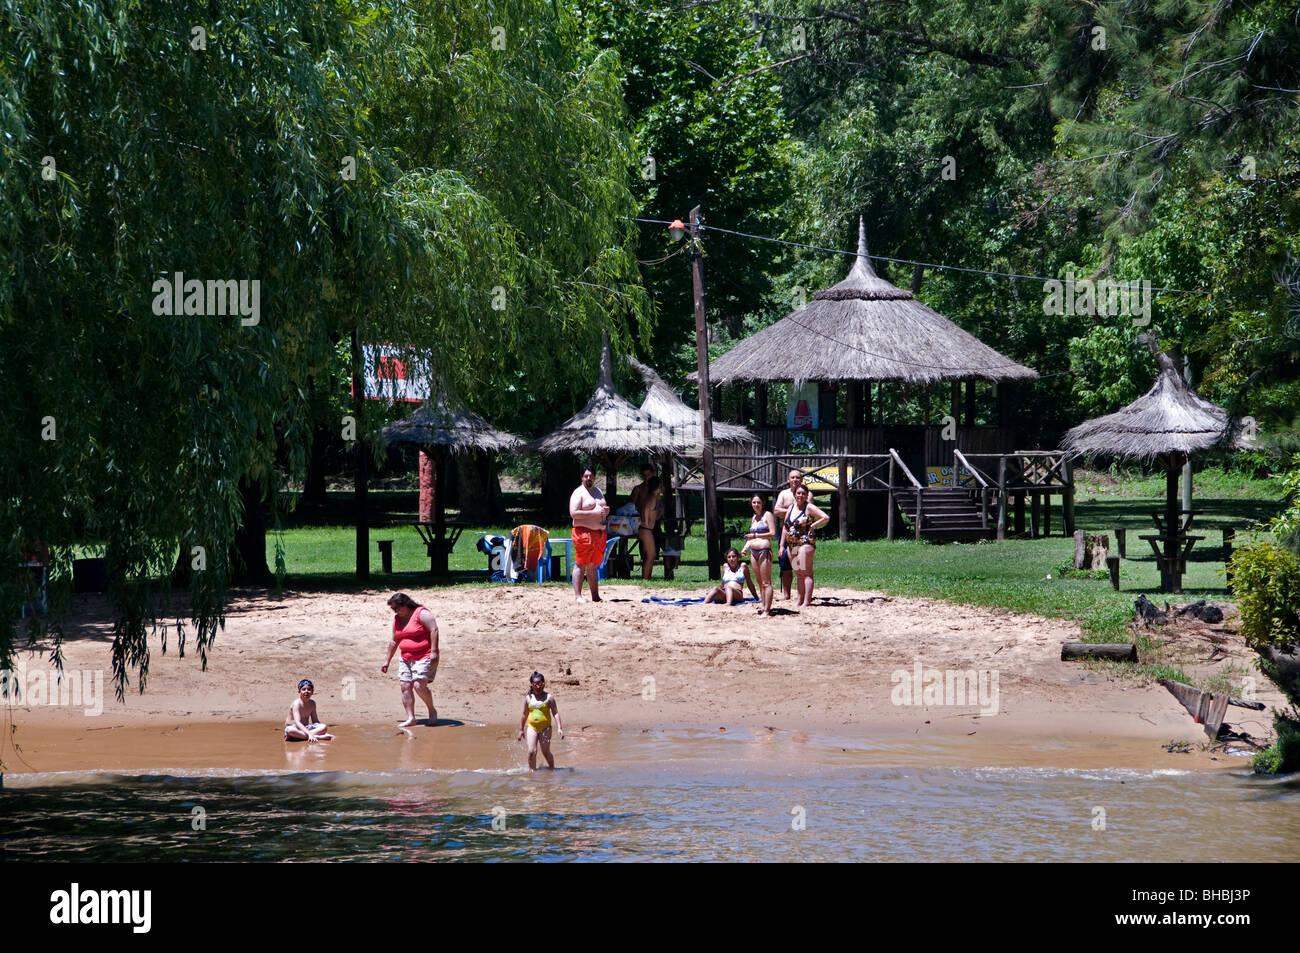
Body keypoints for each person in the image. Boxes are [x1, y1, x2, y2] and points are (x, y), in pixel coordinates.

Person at [381, 592, 439, 728]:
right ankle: (411, 718)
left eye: (397, 608)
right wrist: (387, 660)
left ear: (406, 604)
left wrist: (434, 651)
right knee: (405, 686)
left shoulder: (422, 613)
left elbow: (434, 630)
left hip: (424, 655)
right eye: (393, 609)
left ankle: (431, 710)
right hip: (406, 657)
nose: (396, 612)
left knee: (419, 685)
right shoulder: (397, 619)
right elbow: (394, 641)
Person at [779, 485, 830, 608]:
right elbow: (785, 528)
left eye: (803, 493)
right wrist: (781, 545)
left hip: (805, 543)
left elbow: (825, 517)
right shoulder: (790, 508)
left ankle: (807, 601)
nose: (800, 496)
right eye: (798, 493)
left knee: (806, 572)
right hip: (793, 545)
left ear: (807, 495)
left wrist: (813, 525)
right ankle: (799, 599)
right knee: (798, 573)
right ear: (794, 495)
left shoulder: (809, 507)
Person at [570, 466, 610, 602]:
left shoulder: (598, 491)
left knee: (593, 565)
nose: (589, 478)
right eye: (586, 476)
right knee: (581, 564)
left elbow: (601, 509)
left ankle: (595, 596)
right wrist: (594, 513)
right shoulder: (578, 493)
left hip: (599, 534)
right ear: (582, 477)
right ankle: (578, 596)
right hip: (583, 533)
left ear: (595, 477)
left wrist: (605, 511)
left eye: (591, 476)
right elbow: (574, 513)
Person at [773, 468, 809, 600]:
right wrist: (791, 512)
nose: (795, 480)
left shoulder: (807, 494)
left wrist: (791, 515)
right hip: (786, 534)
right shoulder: (784, 494)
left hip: (801, 537)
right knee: (785, 564)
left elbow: (809, 512)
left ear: (802, 479)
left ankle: (802, 594)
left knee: (801, 566)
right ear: (788, 479)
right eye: (792, 477)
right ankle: (786, 594)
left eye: (798, 477)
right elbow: (776, 511)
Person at [517, 671, 564, 770]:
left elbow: (555, 713)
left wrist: (559, 728)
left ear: (544, 684)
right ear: (532, 685)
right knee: (531, 751)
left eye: (540, 683)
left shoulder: (549, 698)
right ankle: (532, 773)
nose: (538, 686)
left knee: (545, 752)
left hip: (546, 729)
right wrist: (521, 730)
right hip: (532, 728)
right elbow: (524, 714)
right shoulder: (529, 698)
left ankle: (552, 770)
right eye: (535, 684)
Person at [740, 494, 776, 616]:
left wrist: (756, 536)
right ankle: (763, 605)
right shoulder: (754, 517)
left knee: (766, 582)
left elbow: (772, 534)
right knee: (760, 582)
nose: (756, 505)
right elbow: (750, 537)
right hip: (753, 551)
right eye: (754, 502)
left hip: (764, 551)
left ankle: (767, 610)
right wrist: (745, 548)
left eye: (758, 502)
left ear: (763, 503)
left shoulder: (768, 515)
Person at [636, 475, 664, 581]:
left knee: (650, 555)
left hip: (648, 529)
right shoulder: (652, 496)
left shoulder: (655, 497)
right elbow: (647, 508)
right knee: (651, 555)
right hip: (646, 529)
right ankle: (645, 579)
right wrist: (646, 521)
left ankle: (647, 578)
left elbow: (654, 512)